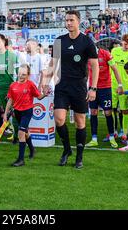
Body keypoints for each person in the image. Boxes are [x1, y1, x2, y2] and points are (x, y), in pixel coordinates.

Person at [41, 10, 99, 169]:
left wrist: (93, 88)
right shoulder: (59, 41)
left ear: (78, 21)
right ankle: (67, 150)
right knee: (59, 119)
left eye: (71, 20)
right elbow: (53, 64)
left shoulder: (87, 42)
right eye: (66, 20)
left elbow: (95, 65)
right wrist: (46, 82)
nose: (68, 23)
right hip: (62, 85)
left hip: (79, 86)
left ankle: (79, 156)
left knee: (80, 122)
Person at [4, 64, 49, 167]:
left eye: (23, 74)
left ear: (28, 75)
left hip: (27, 112)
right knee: (25, 132)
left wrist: (44, 94)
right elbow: (10, 100)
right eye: (19, 73)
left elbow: (39, 96)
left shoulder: (30, 85)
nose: (21, 76)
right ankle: (32, 149)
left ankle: (21, 160)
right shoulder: (13, 85)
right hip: (17, 112)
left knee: (20, 133)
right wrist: (5, 114)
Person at [86, 45, 123, 149]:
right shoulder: (87, 55)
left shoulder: (105, 54)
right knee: (93, 112)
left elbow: (115, 69)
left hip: (105, 88)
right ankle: (94, 139)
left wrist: (120, 85)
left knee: (108, 112)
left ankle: (112, 136)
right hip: (93, 88)